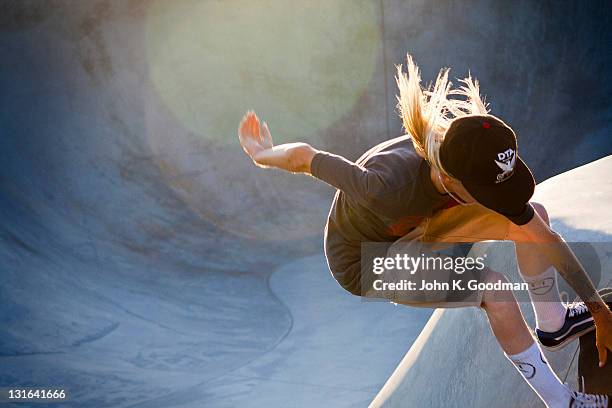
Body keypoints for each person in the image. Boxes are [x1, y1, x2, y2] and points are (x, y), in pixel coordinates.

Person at [237, 55, 612, 408]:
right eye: (485, 193)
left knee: (536, 218)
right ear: (450, 179)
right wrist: (260, 154)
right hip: (367, 260)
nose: (493, 199)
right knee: (494, 289)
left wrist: (598, 311)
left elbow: (545, 237)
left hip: (423, 222)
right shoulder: (383, 187)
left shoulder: (465, 147)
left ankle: (554, 323)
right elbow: (304, 156)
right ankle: (561, 401)